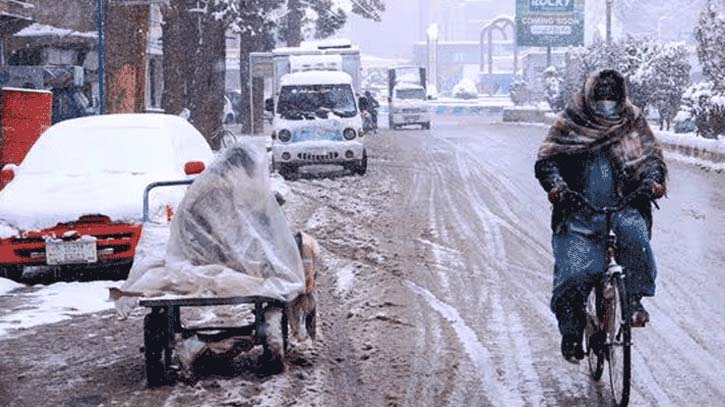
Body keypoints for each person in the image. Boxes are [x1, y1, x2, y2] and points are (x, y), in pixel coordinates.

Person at [534, 69, 667, 363]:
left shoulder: (631, 121)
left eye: (612, 97)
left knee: (637, 240)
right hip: (579, 212)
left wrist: (652, 181)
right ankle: (571, 332)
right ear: (591, 96)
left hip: (625, 208)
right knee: (574, 273)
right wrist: (557, 187)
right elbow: (547, 161)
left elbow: (651, 160)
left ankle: (633, 300)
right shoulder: (571, 120)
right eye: (601, 96)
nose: (606, 103)